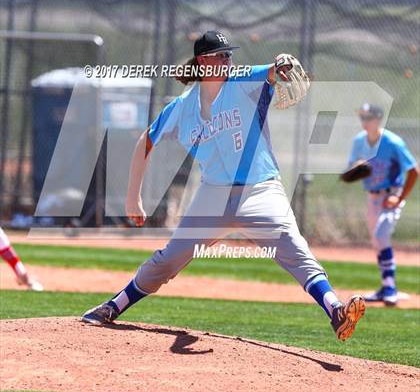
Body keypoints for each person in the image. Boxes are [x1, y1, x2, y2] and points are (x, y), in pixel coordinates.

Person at [82, 30, 365, 341]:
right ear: (204, 61)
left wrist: (281, 64)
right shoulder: (181, 108)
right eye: (222, 55)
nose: (229, 59)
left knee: (294, 248)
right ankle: (113, 306)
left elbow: (272, 71)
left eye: (230, 54)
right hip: (213, 196)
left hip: (260, 190)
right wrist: (132, 199)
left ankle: (336, 311)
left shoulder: (242, 83)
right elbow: (144, 142)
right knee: (169, 259)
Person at [348, 103, 418, 306]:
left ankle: (390, 288)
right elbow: (351, 168)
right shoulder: (359, 141)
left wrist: (400, 197)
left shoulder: (392, 142)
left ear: (378, 119)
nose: (364, 122)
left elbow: (413, 171)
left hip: (391, 195)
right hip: (372, 197)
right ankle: (385, 286)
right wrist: (355, 169)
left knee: (381, 236)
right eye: (362, 117)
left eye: (368, 117)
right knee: (377, 242)